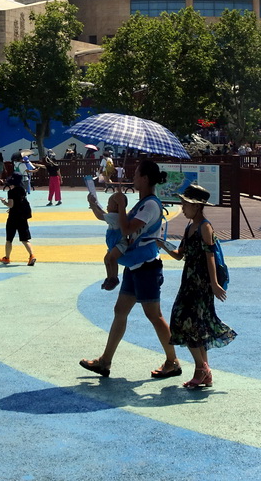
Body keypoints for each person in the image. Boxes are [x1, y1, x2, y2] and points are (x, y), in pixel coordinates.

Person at [79, 159, 181, 379]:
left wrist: (122, 204)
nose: (133, 178)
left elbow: (126, 230)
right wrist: (104, 204)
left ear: (144, 178)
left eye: (136, 175)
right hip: (134, 267)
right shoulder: (142, 203)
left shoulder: (151, 205)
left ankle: (173, 361)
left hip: (146, 267)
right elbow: (119, 222)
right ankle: (105, 362)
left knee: (154, 315)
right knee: (120, 311)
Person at [158, 184, 235, 389]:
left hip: (200, 284)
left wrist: (214, 284)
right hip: (189, 282)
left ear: (197, 206)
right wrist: (163, 244)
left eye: (185, 204)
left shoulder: (204, 227)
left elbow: (210, 256)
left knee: (188, 323)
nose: (182, 207)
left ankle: (202, 369)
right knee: (195, 326)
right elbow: (180, 255)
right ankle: (203, 371)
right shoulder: (189, 226)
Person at [0, 173, 36, 266]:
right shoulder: (22, 190)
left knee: (9, 239)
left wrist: (4, 202)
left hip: (13, 217)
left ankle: (7, 258)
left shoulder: (11, 192)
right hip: (22, 216)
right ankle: (32, 255)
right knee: (25, 239)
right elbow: (19, 202)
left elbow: (11, 204)